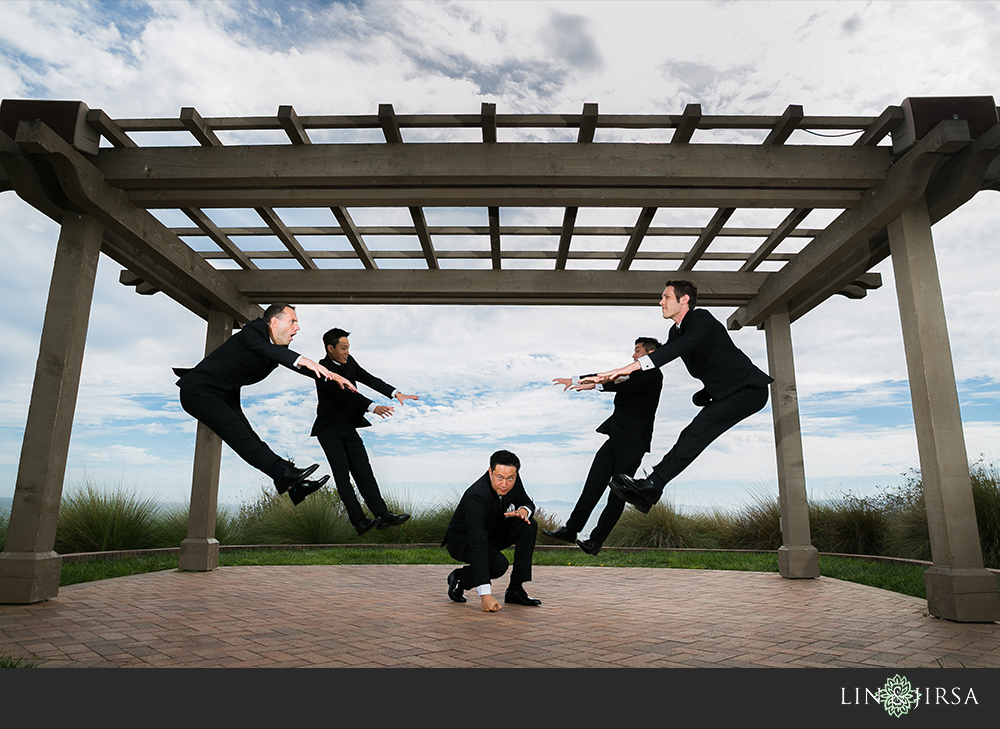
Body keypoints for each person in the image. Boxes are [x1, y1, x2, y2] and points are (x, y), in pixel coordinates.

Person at [580, 280, 773, 514]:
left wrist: (626, 368)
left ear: (684, 300)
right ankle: (648, 493)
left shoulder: (701, 319)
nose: (661, 302)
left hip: (749, 390)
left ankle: (652, 486)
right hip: (728, 393)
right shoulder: (676, 331)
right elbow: (663, 355)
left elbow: (677, 349)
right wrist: (604, 378)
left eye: (666, 297)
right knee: (692, 433)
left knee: (696, 432)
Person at [175, 303, 356, 505]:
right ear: (275, 322)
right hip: (199, 391)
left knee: (248, 436)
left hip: (224, 392)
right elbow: (277, 354)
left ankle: (292, 485)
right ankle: (286, 474)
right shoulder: (252, 333)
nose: (297, 328)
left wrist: (331, 375)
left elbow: (291, 362)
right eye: (293, 321)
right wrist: (306, 360)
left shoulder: (276, 347)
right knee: (241, 437)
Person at [544, 337, 663, 555]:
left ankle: (595, 541)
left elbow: (621, 384)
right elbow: (610, 377)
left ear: (650, 352)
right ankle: (571, 529)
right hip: (615, 438)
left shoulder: (653, 375)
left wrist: (596, 385)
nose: (633, 355)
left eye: (637, 351)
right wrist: (576, 379)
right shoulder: (631, 372)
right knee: (593, 484)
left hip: (633, 444)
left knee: (617, 494)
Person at [311, 327, 418, 535]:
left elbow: (369, 378)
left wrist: (395, 393)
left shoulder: (349, 363)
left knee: (364, 472)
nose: (347, 352)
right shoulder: (322, 369)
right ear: (330, 348)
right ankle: (359, 521)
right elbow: (347, 394)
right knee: (343, 476)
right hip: (329, 430)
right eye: (343, 348)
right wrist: (373, 407)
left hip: (349, 428)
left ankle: (383, 515)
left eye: (348, 348)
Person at [443, 450, 541, 612]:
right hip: (464, 540)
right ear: (490, 472)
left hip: (491, 532)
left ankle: (515, 590)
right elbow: (477, 543)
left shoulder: (512, 479)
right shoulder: (476, 496)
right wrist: (485, 596)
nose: (504, 484)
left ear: (515, 474)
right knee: (498, 565)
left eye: (510, 478)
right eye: (499, 478)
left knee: (528, 524)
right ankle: (460, 578)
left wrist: (524, 510)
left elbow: (525, 501)